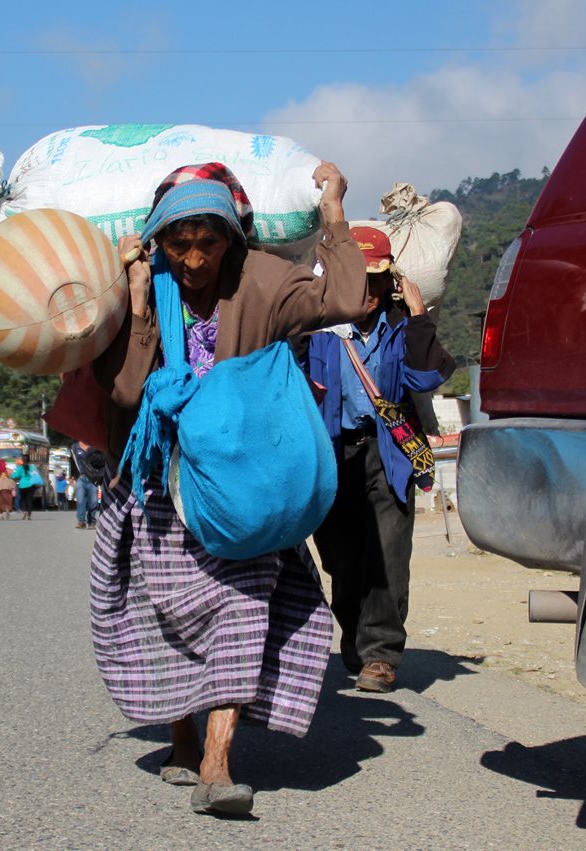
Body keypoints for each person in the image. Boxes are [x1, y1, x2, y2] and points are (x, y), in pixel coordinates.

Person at [90, 160, 367, 816]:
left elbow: (347, 299)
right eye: (177, 242)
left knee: (243, 607)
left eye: (208, 242)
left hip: (242, 483)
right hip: (162, 480)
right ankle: (183, 738)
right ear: (157, 240)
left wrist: (332, 211)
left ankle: (218, 762)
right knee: (168, 613)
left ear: (232, 240)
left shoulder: (263, 279)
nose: (193, 259)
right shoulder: (146, 284)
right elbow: (126, 392)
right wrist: (135, 303)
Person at [307, 227, 456, 693]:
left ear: (388, 281)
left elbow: (425, 377)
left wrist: (418, 317)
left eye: (374, 283)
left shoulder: (400, 328)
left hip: (388, 453)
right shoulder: (318, 333)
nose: (366, 294)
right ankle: (353, 632)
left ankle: (381, 654)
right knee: (341, 559)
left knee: (388, 554)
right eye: (357, 282)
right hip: (332, 455)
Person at [72, 441, 105, 530]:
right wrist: (73, 477)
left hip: (93, 478)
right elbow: (73, 463)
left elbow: (102, 460)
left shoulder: (95, 445)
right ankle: (81, 521)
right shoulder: (75, 447)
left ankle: (92, 522)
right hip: (81, 478)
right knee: (80, 500)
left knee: (93, 502)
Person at [10, 454, 40, 519]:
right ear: (29, 460)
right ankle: (29, 515)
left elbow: (15, 475)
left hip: (22, 486)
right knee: (30, 500)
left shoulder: (20, 468)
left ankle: (25, 511)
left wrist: (10, 475)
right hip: (31, 486)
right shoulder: (32, 467)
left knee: (23, 500)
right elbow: (36, 475)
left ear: (22, 460)